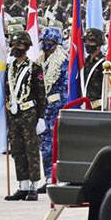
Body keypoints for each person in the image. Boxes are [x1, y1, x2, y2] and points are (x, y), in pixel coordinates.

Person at [5, 31, 46, 201]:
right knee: (17, 150)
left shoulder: (34, 68)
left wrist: (41, 118)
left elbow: (40, 94)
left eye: (20, 46)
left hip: (29, 113)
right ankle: (22, 185)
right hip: (14, 113)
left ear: (27, 48)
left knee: (31, 151)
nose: (16, 49)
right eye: (14, 45)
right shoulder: (10, 67)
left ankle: (33, 186)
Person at [38, 26, 67, 190]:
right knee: (45, 145)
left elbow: (65, 87)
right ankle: (49, 177)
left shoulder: (63, 60)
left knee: (57, 143)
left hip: (57, 107)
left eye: (51, 41)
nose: (47, 44)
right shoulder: (40, 60)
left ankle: (58, 177)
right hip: (44, 108)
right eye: (45, 41)